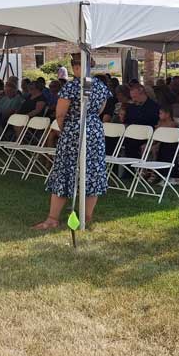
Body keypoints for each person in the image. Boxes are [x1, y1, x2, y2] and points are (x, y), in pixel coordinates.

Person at [33, 53, 110, 230]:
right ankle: (87, 216)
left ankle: (52, 219)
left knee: (65, 170)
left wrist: (65, 129)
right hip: (94, 130)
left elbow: (60, 114)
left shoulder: (71, 87)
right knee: (92, 170)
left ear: (76, 67)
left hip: (74, 130)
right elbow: (100, 109)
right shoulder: (100, 85)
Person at [123, 84, 160, 157]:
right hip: (132, 136)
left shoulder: (154, 107)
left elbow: (156, 124)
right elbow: (127, 122)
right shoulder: (131, 107)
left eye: (135, 97)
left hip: (147, 136)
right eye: (132, 97)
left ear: (142, 94)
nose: (133, 100)